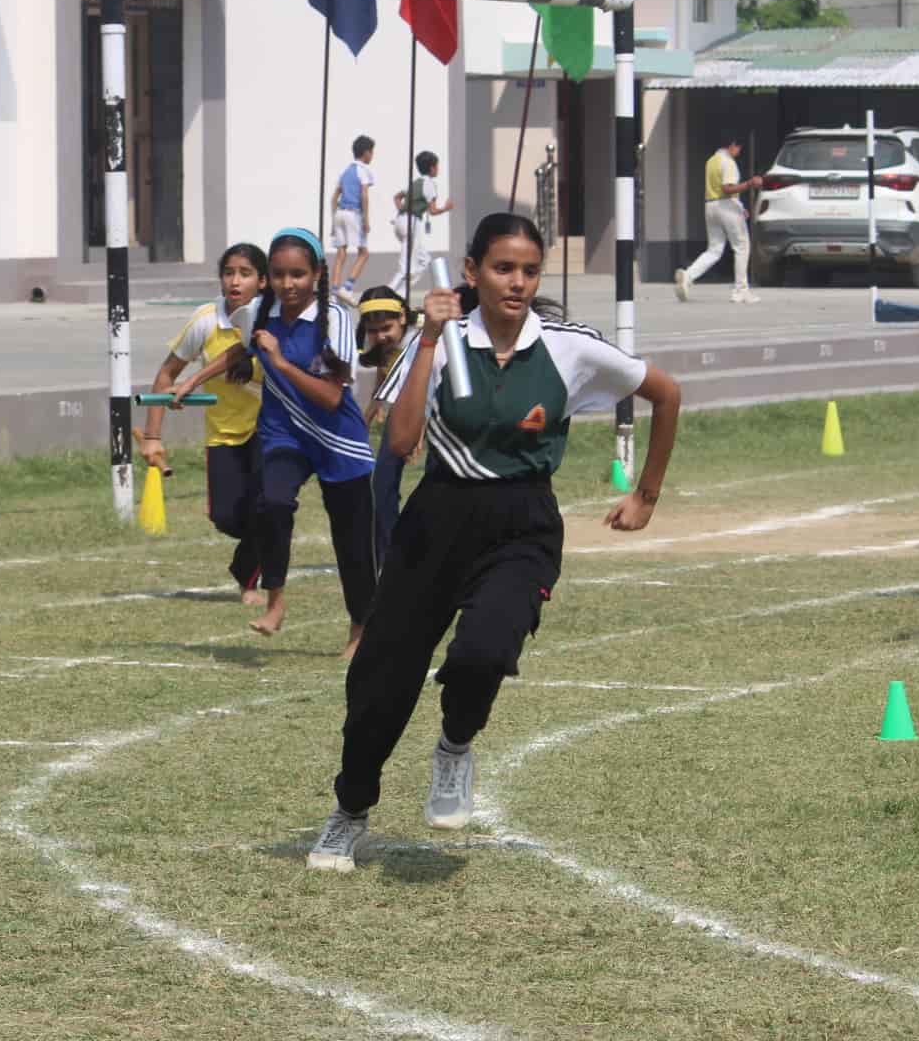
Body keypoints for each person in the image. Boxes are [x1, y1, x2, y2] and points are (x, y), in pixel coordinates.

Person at [308, 213, 683, 872]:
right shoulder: (439, 340)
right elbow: (401, 442)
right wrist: (428, 338)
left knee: (484, 652)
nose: (517, 282)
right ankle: (350, 810)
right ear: (472, 272)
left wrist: (646, 495)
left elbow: (667, 393)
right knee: (380, 685)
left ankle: (455, 747)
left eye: (529, 271)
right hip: (436, 520)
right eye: (503, 268)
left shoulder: (568, 346)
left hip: (522, 523)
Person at [224, 228, 377, 656]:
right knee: (271, 503)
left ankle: (361, 627)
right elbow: (238, 351)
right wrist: (187, 381)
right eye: (278, 275)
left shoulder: (336, 319)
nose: (288, 284)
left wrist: (279, 362)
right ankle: (275, 600)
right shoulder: (257, 314)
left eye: (298, 274)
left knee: (352, 539)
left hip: (337, 440)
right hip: (284, 433)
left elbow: (331, 397)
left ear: (317, 274)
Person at [139, 242, 268, 605]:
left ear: (262, 281)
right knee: (226, 517)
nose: (235, 281)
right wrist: (152, 436)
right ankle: (270, 539)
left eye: (245, 274)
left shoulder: (272, 318)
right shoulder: (206, 321)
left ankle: (249, 579)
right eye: (228, 273)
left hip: (270, 428)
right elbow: (166, 375)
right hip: (223, 432)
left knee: (269, 505)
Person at [354, 286, 418, 573]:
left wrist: (420, 431)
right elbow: (383, 380)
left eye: (386, 328)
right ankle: (389, 556)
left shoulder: (421, 339)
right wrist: (365, 420)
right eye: (373, 331)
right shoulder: (384, 347)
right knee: (381, 487)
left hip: (436, 418)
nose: (380, 337)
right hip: (401, 416)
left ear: (402, 317)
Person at [675, 136, 762, 304]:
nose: (739, 151)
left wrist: (739, 206)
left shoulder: (711, 161)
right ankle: (741, 291)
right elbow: (727, 188)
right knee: (742, 246)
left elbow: (719, 189)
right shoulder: (728, 162)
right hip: (726, 206)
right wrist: (750, 183)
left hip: (711, 206)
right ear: (732, 145)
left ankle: (688, 276)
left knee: (714, 249)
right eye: (739, 147)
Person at [388, 151, 452, 301]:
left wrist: (403, 210)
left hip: (400, 222)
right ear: (432, 168)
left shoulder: (415, 183)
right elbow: (433, 211)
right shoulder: (430, 184)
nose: (438, 169)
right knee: (406, 267)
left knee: (424, 260)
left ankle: (400, 294)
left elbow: (397, 197)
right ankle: (387, 293)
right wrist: (446, 208)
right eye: (437, 166)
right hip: (412, 223)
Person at [330, 135, 375, 302]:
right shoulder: (363, 170)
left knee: (341, 252)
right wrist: (366, 219)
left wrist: (333, 221)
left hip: (339, 213)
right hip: (353, 214)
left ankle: (334, 291)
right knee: (364, 253)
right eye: (372, 152)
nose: (372, 156)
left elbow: (334, 197)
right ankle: (347, 288)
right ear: (366, 153)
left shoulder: (345, 172)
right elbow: (364, 195)